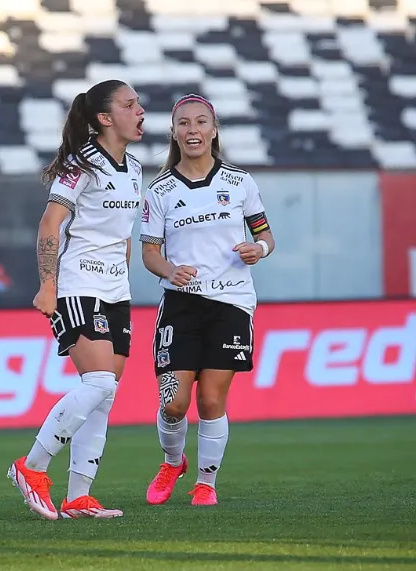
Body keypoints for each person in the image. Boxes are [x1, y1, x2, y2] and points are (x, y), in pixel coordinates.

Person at [7, 79, 145, 520]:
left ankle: (78, 496)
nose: (140, 111)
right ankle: (31, 467)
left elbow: (122, 235)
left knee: (105, 397)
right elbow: (51, 225)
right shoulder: (80, 165)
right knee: (99, 383)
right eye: (129, 104)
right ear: (105, 118)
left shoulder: (137, 168)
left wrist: (124, 279)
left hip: (116, 292)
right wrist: (48, 285)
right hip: (78, 285)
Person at [139, 94, 275, 506]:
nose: (192, 130)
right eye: (184, 123)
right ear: (174, 133)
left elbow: (265, 235)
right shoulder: (159, 191)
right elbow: (149, 253)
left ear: (214, 131)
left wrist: (260, 250)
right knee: (174, 402)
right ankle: (172, 460)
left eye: (201, 122)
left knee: (211, 399)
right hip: (181, 306)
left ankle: (206, 483)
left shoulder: (239, 183)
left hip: (231, 303)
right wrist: (169, 271)